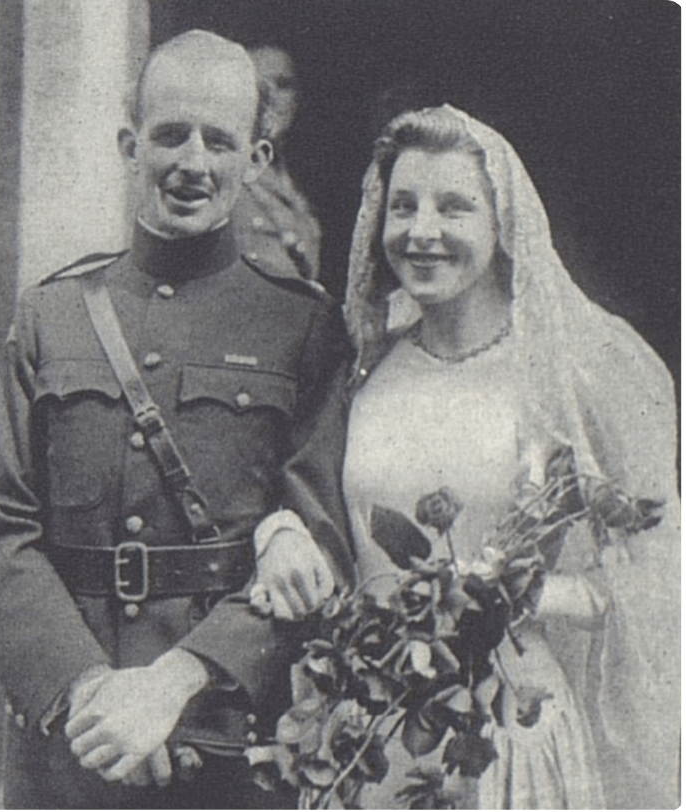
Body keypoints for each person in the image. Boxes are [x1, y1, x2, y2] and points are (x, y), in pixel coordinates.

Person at [252, 104, 681, 809]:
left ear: (501, 222)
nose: (422, 232)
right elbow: (315, 504)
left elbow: (650, 571)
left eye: (454, 207)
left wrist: (515, 595)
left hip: (506, 734)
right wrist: (281, 533)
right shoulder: (365, 362)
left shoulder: (564, 377)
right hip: (366, 736)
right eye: (403, 207)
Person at [0, 29, 343, 811]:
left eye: (219, 140)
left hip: (230, 740)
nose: (192, 164)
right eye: (169, 134)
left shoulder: (301, 329)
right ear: (129, 144)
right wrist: (88, 695)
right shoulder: (51, 317)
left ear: (258, 160)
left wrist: (173, 686)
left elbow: (321, 538)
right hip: (72, 748)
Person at [232, 44, 322, 281]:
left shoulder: (298, 177)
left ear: (298, 97)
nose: (271, 95)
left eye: (283, 84)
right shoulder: (228, 177)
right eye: (258, 84)